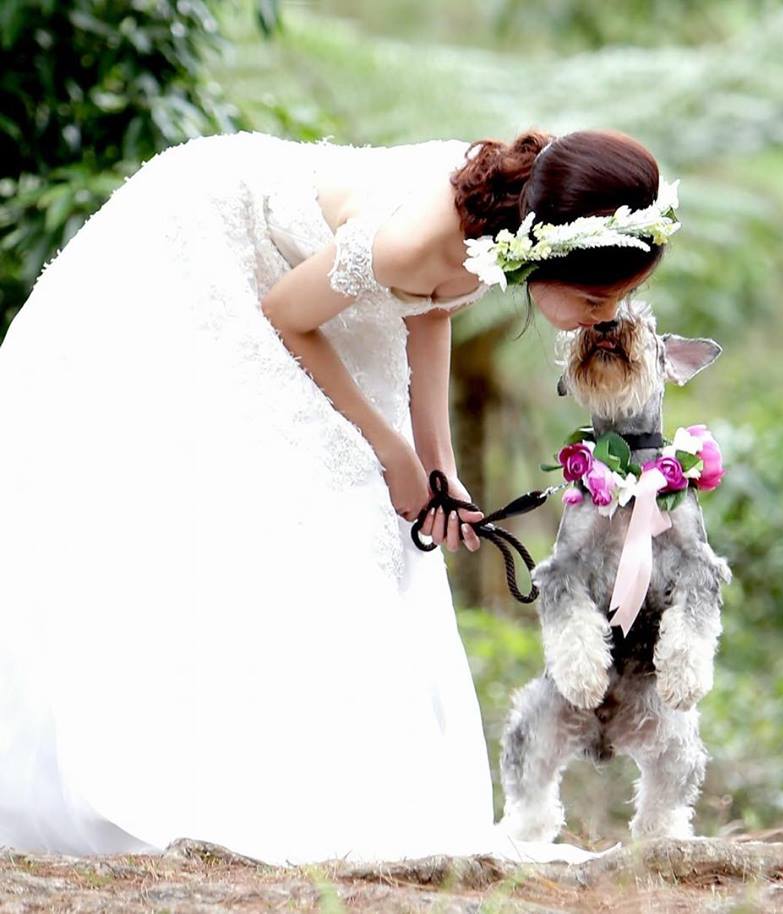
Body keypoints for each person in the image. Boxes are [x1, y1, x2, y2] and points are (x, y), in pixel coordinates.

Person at [0, 127, 675, 865]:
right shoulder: (411, 241)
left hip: (320, 293)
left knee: (378, 519)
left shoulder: (504, 221)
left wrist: (438, 461)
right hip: (216, 253)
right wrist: (390, 452)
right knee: (315, 504)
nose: (603, 317)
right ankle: (228, 779)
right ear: (549, 254)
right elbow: (289, 315)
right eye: (593, 297)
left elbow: (434, 306)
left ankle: (336, 781)